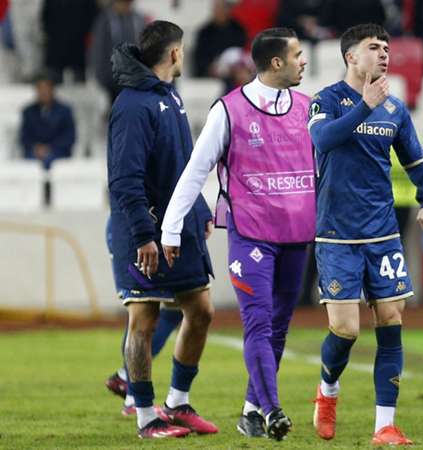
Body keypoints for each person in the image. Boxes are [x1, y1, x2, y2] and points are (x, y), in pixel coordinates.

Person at [308, 23, 423, 446]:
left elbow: (416, 163)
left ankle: (384, 426)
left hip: (383, 234)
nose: (384, 54)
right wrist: (362, 108)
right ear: (350, 57)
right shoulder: (327, 101)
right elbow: (323, 140)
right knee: (346, 331)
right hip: (337, 234)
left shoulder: (394, 110)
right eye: (373, 47)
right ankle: (328, 390)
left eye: (387, 47)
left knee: (391, 322)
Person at [161, 27, 313, 441]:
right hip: (252, 235)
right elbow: (195, 171)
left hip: (297, 234)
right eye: (298, 54)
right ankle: (272, 409)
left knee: (279, 325)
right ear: (276, 62)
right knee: (260, 323)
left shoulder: (307, 108)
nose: (305, 61)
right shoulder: (228, 111)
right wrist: (170, 229)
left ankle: (251, 410)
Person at [107, 20, 218, 439]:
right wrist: (142, 235)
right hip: (146, 232)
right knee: (144, 320)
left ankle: (177, 402)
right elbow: (124, 179)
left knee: (201, 310)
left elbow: (184, 162)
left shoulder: (170, 96)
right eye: (183, 49)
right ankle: (145, 417)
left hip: (178, 227)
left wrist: (201, 207)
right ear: (174, 53)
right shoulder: (133, 104)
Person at [103, 218, 183, 417]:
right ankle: (132, 396)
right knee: (142, 311)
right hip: (134, 232)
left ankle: (125, 377)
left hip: (153, 229)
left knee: (176, 309)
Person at [89, 0, 147, 104]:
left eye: (128, 3)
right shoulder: (105, 21)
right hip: (112, 79)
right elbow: (98, 49)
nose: (126, 6)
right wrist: (101, 76)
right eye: (123, 3)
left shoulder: (138, 19)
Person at [20, 73, 75, 170]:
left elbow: (69, 136)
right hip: (34, 153)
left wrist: (50, 148)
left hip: (58, 152)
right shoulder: (28, 112)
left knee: (50, 161)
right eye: (40, 89)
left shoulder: (65, 110)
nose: (44, 92)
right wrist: (37, 148)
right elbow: (24, 137)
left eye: (46, 88)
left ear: (52, 89)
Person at [192, 0, 247, 78]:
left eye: (221, 8)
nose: (219, 12)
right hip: (210, 73)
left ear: (228, 10)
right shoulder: (205, 32)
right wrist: (210, 68)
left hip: (234, 72)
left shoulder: (238, 30)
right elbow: (200, 57)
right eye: (216, 9)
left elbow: (241, 51)